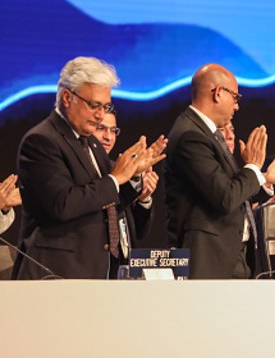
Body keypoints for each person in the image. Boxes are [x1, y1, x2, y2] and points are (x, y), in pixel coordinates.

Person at [14, 56, 166, 279]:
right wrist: (116, 178)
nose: (100, 115)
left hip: (95, 272)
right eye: (94, 105)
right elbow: (63, 204)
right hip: (55, 274)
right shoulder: (41, 141)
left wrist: (133, 178)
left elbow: (108, 201)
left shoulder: (90, 142)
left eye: (105, 107)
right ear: (67, 97)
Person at [164, 63, 275, 279]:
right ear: (219, 93)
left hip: (230, 255)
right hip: (209, 257)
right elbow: (225, 197)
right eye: (236, 98)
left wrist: (263, 177)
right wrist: (253, 167)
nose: (237, 107)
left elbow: (229, 189)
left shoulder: (204, 133)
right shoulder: (191, 136)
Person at [92, 111, 158, 243]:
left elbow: (138, 233)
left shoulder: (120, 169)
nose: (108, 137)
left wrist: (143, 199)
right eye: (101, 128)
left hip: (121, 261)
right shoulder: (82, 169)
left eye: (113, 130)